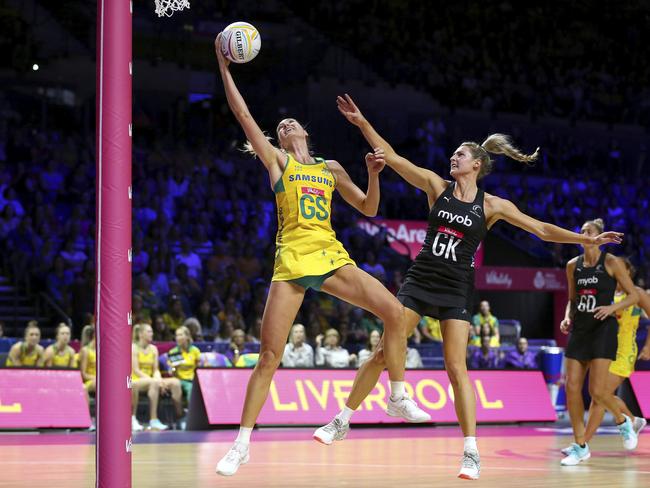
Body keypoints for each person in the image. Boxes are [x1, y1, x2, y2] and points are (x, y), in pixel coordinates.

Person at [316, 94, 625, 480]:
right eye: (453, 155)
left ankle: (471, 452)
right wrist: (361, 122)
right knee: (382, 353)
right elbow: (391, 156)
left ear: (476, 165)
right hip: (421, 278)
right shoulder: (435, 184)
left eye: (459, 156)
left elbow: (542, 229)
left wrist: (588, 241)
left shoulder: (493, 205)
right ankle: (342, 420)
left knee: (456, 367)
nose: (453, 159)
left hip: (457, 287)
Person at [214, 38, 425, 477]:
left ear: (306, 133)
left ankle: (398, 394)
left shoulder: (329, 169)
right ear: (280, 138)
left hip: (330, 256)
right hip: (291, 262)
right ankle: (241, 444)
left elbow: (368, 207)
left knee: (395, 313)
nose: (287, 123)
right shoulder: (277, 163)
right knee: (269, 357)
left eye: (294, 122)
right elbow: (244, 115)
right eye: (282, 124)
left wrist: (371, 174)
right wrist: (226, 68)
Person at [559, 219, 640, 466]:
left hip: (603, 331)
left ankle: (622, 420)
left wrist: (611, 307)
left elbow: (634, 295)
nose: (583, 234)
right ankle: (580, 446)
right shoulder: (573, 265)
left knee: (596, 391)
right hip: (581, 330)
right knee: (572, 387)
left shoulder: (612, 262)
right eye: (581, 231)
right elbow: (572, 299)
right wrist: (566, 317)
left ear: (599, 236)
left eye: (588, 231)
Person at [131, 323, 183, 431]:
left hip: (152, 380)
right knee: (153, 383)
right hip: (137, 379)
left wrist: (159, 380)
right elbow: (136, 370)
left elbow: (155, 370)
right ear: (141, 334)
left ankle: (180, 418)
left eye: (152, 331)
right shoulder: (133, 348)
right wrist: (156, 381)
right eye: (149, 331)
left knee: (175, 382)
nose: (152, 333)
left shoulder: (154, 349)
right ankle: (148, 419)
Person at [167, 325, 203, 403]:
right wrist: (173, 368)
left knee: (193, 388)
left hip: (193, 380)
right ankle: (185, 413)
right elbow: (170, 371)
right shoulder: (173, 352)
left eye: (180, 335)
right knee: (186, 388)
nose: (178, 338)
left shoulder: (195, 351)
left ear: (187, 337)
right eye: (176, 335)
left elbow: (199, 368)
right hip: (179, 380)